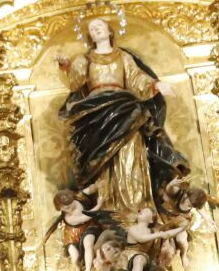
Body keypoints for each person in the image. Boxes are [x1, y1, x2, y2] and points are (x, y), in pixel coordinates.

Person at [57, 16, 187, 219]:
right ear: (90, 36)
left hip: (125, 111)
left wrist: (156, 85)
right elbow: (75, 82)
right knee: (102, 160)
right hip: (96, 113)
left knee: (131, 154)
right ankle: (109, 209)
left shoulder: (123, 57)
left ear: (109, 31)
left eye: (99, 26)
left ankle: (137, 208)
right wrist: (66, 66)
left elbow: (137, 79)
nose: (96, 30)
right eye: (92, 28)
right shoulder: (86, 59)